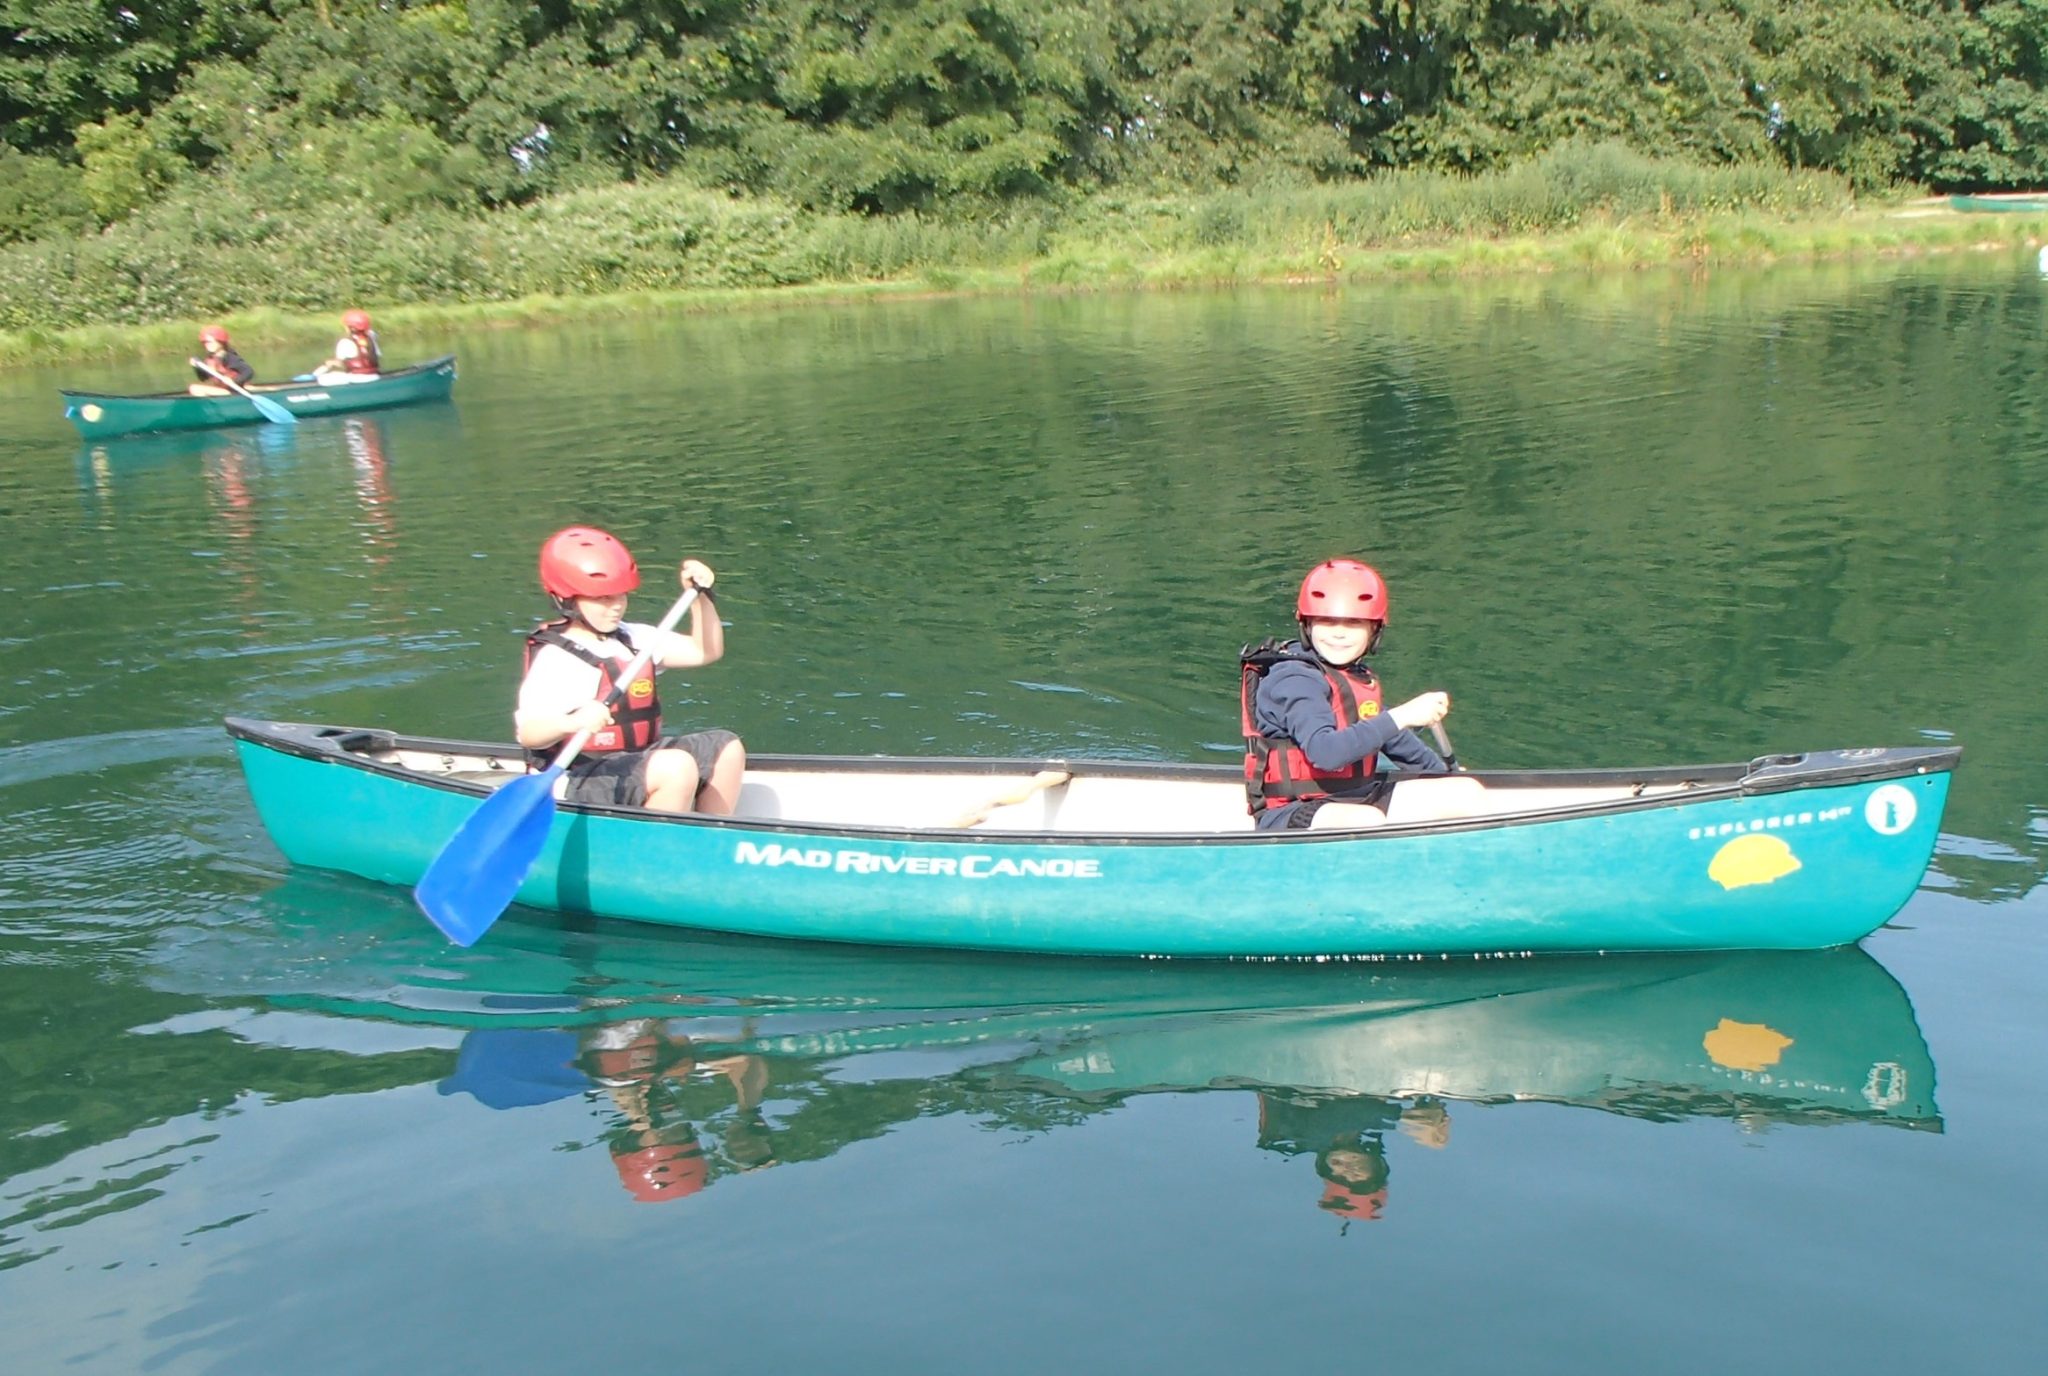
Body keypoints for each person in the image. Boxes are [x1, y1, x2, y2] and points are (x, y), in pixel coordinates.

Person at [515, 525, 746, 813]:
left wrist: (700, 596)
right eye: (603, 598)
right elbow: (529, 733)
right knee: (676, 767)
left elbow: (705, 651)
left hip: (633, 762)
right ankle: (655, 840)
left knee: (726, 749)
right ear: (568, 599)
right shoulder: (556, 658)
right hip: (574, 776)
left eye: (620, 595)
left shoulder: (633, 638)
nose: (616, 607)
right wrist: (572, 722)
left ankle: (710, 834)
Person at [1241, 557, 1485, 829]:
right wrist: (1403, 715)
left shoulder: (1351, 675)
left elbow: (1395, 740)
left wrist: (1441, 774)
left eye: (1354, 623)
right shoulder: (1295, 679)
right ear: (1306, 625)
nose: (1339, 634)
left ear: (1374, 630)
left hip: (1355, 796)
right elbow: (1326, 754)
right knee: (1364, 820)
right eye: (1327, 622)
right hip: (1292, 809)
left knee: (1466, 792)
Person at [314, 308, 381, 381]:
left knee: (323, 378)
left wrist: (330, 363)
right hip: (375, 376)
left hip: (356, 378)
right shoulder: (371, 337)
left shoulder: (345, 342)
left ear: (351, 327)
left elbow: (339, 363)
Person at [188, 324, 255, 396]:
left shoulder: (230, 357)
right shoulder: (211, 359)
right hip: (225, 391)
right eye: (205, 343)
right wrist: (197, 367)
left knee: (194, 388)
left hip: (236, 392)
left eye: (210, 342)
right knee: (195, 388)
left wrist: (234, 381)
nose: (207, 345)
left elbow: (249, 371)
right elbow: (203, 378)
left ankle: (207, 403)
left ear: (221, 342)